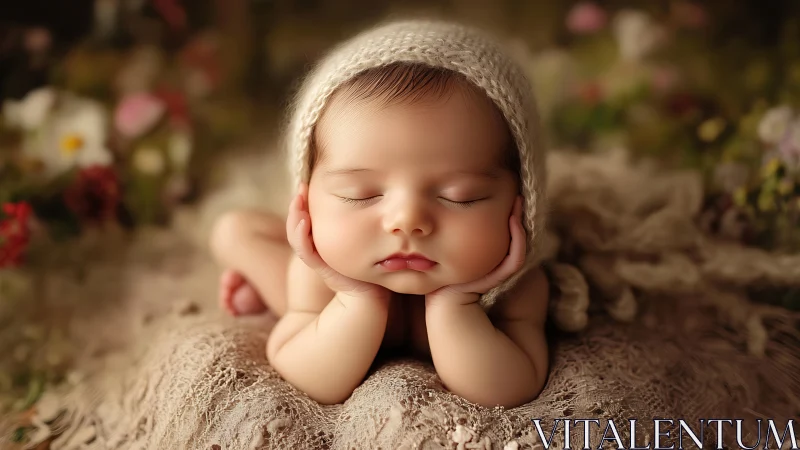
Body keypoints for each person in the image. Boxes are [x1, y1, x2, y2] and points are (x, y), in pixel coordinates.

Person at [209, 19, 550, 408]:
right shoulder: (317, 273)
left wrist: (458, 303)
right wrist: (355, 297)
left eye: (461, 196)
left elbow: (512, 386)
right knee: (234, 230)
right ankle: (252, 245)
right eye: (360, 194)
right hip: (333, 291)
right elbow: (311, 377)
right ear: (308, 198)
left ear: (522, 201)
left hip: (406, 278)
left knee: (246, 236)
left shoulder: (516, 288)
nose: (406, 221)